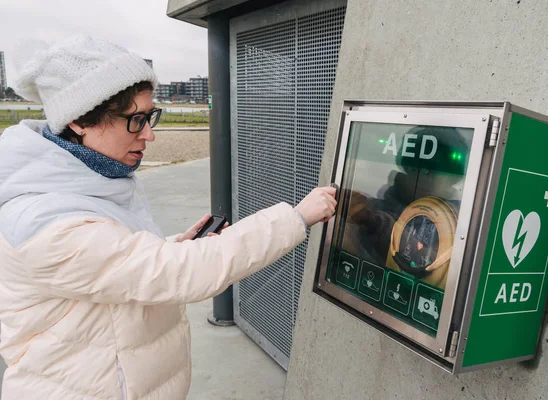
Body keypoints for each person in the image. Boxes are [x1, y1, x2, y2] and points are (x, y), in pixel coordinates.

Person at [0, 35, 337, 400]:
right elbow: (177, 273)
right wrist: (296, 218)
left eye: (151, 116)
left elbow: (117, 262)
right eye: (135, 120)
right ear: (80, 121)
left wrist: (172, 245)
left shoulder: (83, 182)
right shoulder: (46, 221)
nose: (149, 134)